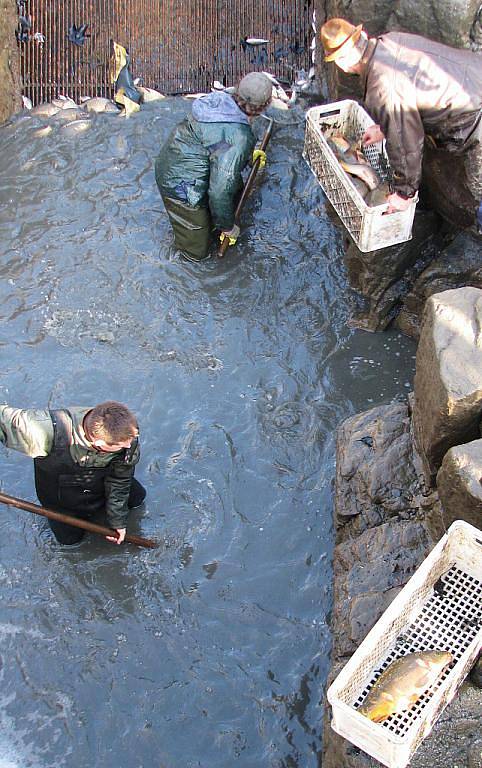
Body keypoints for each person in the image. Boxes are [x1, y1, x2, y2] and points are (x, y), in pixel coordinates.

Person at [320, 18, 482, 224]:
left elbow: (407, 147)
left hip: (476, 114)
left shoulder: (383, 87)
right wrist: (384, 125)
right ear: (362, 36)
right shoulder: (390, 41)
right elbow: (409, 92)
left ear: (341, 62)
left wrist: (404, 194)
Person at [154, 72, 273, 261]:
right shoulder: (240, 138)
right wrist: (228, 228)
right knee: (197, 253)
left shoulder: (219, 99)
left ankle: (216, 219)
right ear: (264, 106)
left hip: (178, 157)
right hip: (180, 186)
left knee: (231, 193)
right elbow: (219, 191)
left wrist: (247, 157)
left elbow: (214, 142)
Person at [0, 401, 145, 545]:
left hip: (102, 484)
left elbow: (119, 481)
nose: (129, 445)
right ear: (99, 443)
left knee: (138, 498)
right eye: (121, 445)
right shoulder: (43, 431)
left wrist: (118, 522)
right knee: (69, 541)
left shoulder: (127, 435)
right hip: (62, 499)